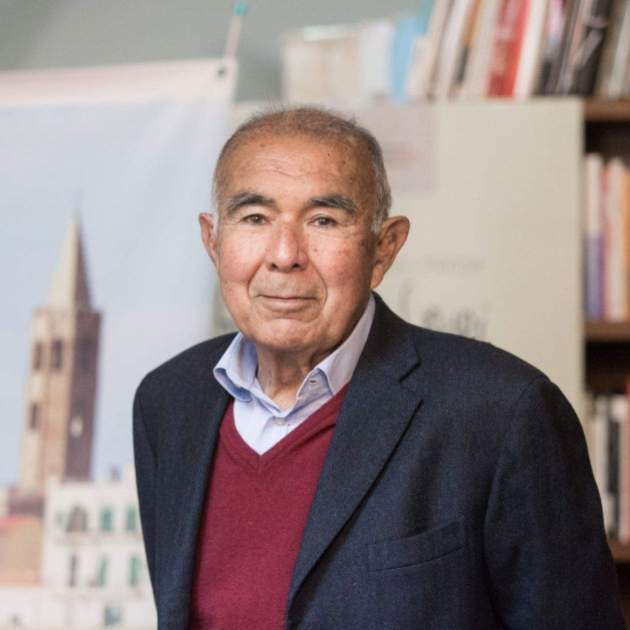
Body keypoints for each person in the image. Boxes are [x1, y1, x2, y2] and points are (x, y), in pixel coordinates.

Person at [133, 106, 624, 630]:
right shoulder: (169, 403)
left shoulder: (501, 413)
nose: (285, 254)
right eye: (255, 218)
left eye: (323, 220)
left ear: (383, 249)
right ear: (213, 241)